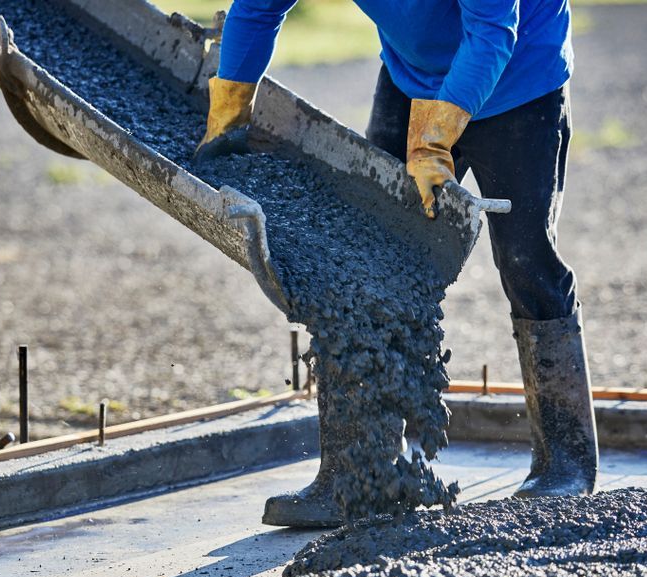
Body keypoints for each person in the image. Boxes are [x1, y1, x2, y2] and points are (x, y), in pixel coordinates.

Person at [196, 0, 598, 527]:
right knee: (364, 258)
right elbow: (257, 6)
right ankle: (356, 478)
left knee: (526, 261)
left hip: (520, 76)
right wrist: (231, 105)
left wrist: (435, 138)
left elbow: (493, 32)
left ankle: (564, 464)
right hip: (413, 79)